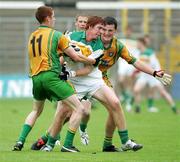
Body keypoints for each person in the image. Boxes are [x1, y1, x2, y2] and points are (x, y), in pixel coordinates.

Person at [31, 17, 171, 153]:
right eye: (103, 29)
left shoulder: (112, 46)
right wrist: (60, 69)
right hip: (74, 79)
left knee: (115, 104)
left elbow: (133, 62)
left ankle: (121, 142)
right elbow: (61, 52)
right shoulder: (76, 36)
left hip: (95, 78)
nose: (105, 33)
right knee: (64, 113)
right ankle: (47, 142)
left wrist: (154, 72)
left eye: (109, 30)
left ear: (115, 31)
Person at [12, 6, 97, 151]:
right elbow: (75, 56)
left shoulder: (32, 35)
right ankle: (67, 145)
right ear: (48, 18)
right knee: (79, 108)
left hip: (35, 78)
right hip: (51, 77)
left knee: (36, 111)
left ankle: (20, 142)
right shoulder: (57, 35)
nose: (55, 19)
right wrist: (92, 61)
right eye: (53, 16)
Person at [133, 37, 178, 113]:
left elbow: (155, 64)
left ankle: (174, 108)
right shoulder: (140, 53)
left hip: (153, 74)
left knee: (162, 92)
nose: (137, 44)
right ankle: (137, 108)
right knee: (136, 89)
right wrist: (136, 72)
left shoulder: (149, 52)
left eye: (138, 43)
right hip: (144, 75)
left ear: (141, 44)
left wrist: (159, 74)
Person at [116, 25, 140, 112]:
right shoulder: (121, 40)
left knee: (130, 84)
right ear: (125, 31)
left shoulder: (135, 41)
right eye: (127, 31)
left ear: (131, 32)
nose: (128, 32)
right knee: (121, 81)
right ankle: (125, 96)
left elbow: (138, 52)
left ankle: (129, 103)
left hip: (131, 64)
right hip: (122, 63)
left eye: (130, 31)